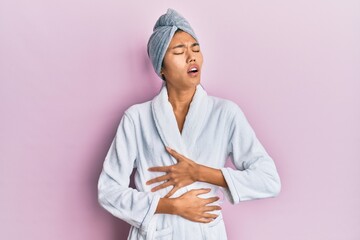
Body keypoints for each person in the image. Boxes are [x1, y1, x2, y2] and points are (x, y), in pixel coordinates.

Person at [98, 8, 281, 240]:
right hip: (158, 233)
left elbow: (269, 179)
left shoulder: (225, 114)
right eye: (179, 51)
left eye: (196, 49)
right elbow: (108, 190)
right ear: (161, 67)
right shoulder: (137, 119)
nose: (191, 57)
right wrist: (169, 206)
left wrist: (199, 172)